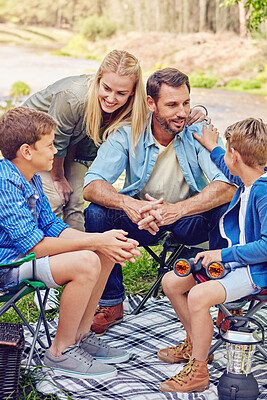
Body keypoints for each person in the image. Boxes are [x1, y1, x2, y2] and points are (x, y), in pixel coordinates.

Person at [83, 67, 237, 335]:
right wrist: (130, 205)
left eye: (186, 103)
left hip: (188, 218)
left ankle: (228, 304)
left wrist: (176, 211)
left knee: (226, 209)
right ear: (151, 104)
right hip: (142, 219)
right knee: (97, 213)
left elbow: (228, 187)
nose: (182, 112)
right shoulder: (127, 134)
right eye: (173, 104)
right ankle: (111, 302)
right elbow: (92, 185)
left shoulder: (198, 131)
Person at [0, 107, 141, 379]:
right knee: (87, 260)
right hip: (7, 268)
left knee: (104, 254)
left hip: (25, 258)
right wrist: (95, 241)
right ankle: (60, 351)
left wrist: (103, 242)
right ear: (27, 151)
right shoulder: (5, 181)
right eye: (50, 145)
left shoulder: (29, 178)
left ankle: (80, 335)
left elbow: (53, 227)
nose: (56, 152)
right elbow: (34, 246)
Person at [23, 50, 206, 232]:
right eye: (107, 89)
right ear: (98, 80)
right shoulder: (74, 97)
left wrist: (197, 111)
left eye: (121, 93)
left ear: (132, 92)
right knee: (55, 198)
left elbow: (166, 110)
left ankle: (79, 255)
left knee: (76, 201)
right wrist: (58, 178)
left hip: (72, 149)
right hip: (33, 143)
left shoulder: (136, 107)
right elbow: (58, 141)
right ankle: (40, 254)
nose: (111, 98)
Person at [157, 118, 267, 393]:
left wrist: (221, 253)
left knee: (198, 295)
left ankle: (198, 370)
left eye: (228, 150)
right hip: (235, 262)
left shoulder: (263, 192)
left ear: (237, 156)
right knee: (172, 282)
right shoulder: (248, 178)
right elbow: (227, 167)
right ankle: (197, 345)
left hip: (255, 271)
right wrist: (212, 145)